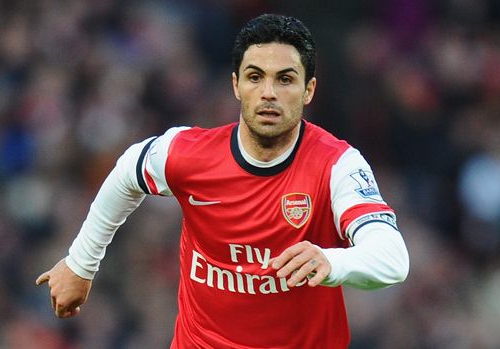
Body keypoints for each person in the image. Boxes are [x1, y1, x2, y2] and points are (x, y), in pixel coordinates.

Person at [36, 13, 409, 348]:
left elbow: (393, 259)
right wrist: (81, 264)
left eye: (285, 79)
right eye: (255, 77)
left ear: (309, 90)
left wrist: (332, 262)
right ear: (236, 86)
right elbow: (128, 171)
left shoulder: (336, 165)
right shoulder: (189, 154)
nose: (268, 92)